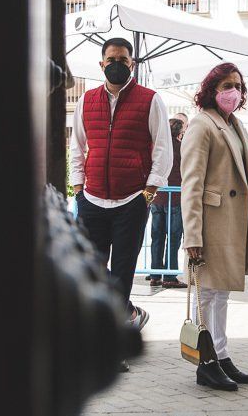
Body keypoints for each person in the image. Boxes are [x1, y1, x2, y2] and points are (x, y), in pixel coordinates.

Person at [69, 37, 173, 371]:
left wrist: (150, 188)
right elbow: (77, 146)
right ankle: (126, 316)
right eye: (112, 58)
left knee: (124, 268)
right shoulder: (86, 101)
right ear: (102, 64)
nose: (118, 63)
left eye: (124, 59)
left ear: (133, 64)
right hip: (93, 197)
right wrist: (78, 185)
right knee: (94, 269)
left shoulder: (150, 100)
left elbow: (162, 148)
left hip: (132, 198)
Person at [181, 62, 248, 392]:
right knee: (209, 295)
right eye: (227, 85)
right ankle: (207, 362)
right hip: (212, 223)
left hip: (232, 222)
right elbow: (191, 183)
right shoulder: (202, 124)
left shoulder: (235, 124)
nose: (234, 92)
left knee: (222, 293)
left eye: (238, 86)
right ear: (212, 89)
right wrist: (192, 235)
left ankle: (222, 355)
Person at [149, 118, 188, 288]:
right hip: (176, 197)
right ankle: (170, 276)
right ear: (180, 132)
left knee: (157, 237)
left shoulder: (158, 148)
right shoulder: (182, 148)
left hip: (157, 196)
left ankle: (155, 274)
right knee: (173, 238)